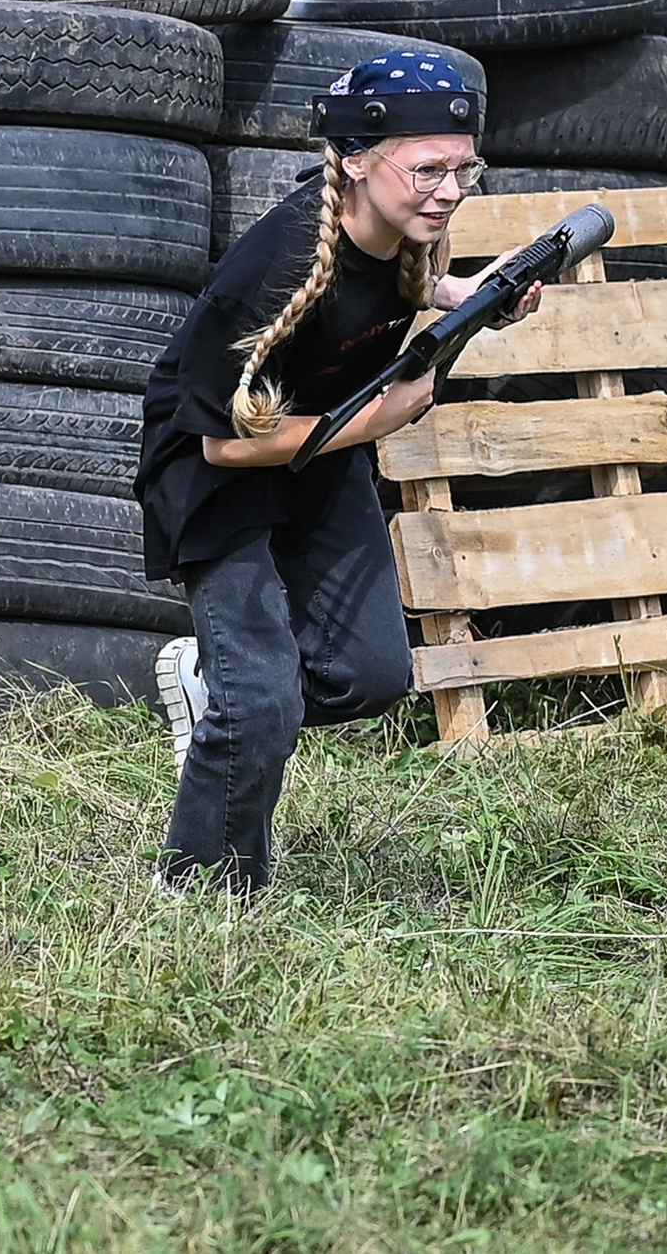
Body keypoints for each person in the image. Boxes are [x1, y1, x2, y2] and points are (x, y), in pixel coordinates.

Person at [134, 50, 540, 893]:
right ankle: (203, 890)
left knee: (372, 676)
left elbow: (395, 291)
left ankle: (222, 696)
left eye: (464, 169)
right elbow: (219, 444)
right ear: (355, 158)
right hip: (220, 474)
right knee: (266, 702)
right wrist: (378, 418)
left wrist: (473, 293)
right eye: (428, 169)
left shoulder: (402, 235)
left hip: (320, 457)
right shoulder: (273, 268)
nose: (451, 189)